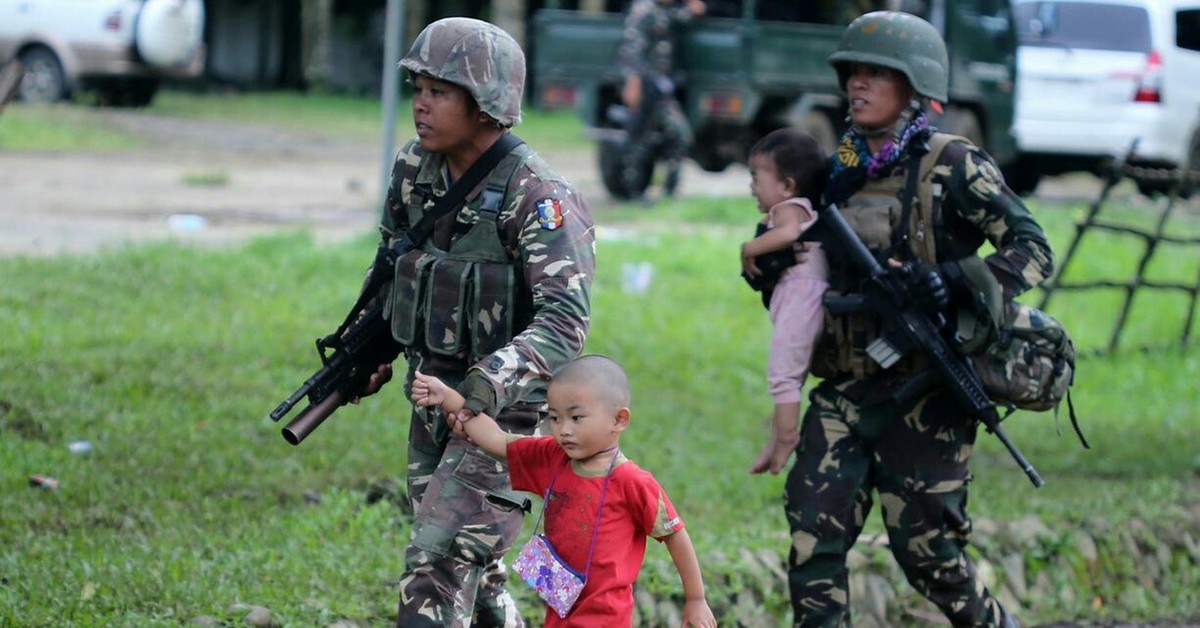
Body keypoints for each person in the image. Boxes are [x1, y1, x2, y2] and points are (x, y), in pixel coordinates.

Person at [779, 11, 1055, 627]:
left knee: (930, 556)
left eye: (878, 73)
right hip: (848, 385)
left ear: (914, 86)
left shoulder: (954, 163)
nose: (859, 84)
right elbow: (793, 267)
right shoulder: (837, 169)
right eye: (855, 72)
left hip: (927, 390)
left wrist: (954, 279)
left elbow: (1034, 250)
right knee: (811, 536)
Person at [359, 16, 595, 628]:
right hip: (432, 402)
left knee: (435, 566)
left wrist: (488, 382)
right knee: (476, 570)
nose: (420, 104)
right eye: (417, 88)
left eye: (440, 91)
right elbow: (392, 266)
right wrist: (369, 350)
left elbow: (566, 320)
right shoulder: (415, 170)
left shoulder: (538, 194)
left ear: (486, 102)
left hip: (509, 416)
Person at [410, 355, 718, 628]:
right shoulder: (552, 457)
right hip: (559, 605)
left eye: (576, 417)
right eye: (554, 417)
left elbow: (674, 534)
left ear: (619, 419)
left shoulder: (633, 482)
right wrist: (449, 397)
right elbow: (497, 440)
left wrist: (695, 599)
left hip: (606, 616)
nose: (564, 429)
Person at [737, 128, 830, 476]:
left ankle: (786, 437)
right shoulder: (791, 206)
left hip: (801, 297)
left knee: (784, 375)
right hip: (795, 298)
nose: (751, 186)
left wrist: (749, 248)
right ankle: (778, 438)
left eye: (756, 177)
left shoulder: (790, 208)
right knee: (784, 375)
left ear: (788, 185)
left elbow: (790, 234)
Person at [615, 0, 706, 198]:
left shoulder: (666, 10)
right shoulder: (643, 9)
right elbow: (631, 48)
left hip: (660, 86)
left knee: (678, 135)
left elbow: (676, 19)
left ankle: (668, 192)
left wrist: (691, 10)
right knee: (639, 137)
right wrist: (633, 81)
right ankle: (633, 193)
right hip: (644, 83)